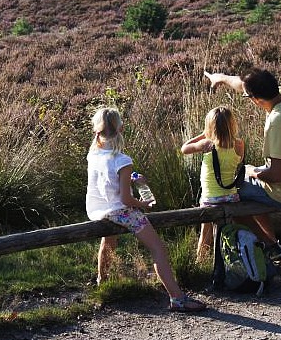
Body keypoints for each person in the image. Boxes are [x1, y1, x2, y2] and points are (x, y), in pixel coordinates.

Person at [86, 106, 206, 313]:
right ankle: (177, 298)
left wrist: (134, 184)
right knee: (159, 249)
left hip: (97, 210)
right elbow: (124, 199)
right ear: (121, 129)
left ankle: (101, 282)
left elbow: (108, 186)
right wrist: (143, 204)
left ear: (97, 131)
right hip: (119, 211)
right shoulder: (122, 160)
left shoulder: (93, 154)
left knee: (109, 239)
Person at [204, 68, 281, 261]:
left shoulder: (278, 121)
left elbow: (276, 176)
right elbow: (243, 84)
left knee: (229, 194)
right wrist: (221, 78)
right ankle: (272, 245)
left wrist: (252, 171)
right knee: (247, 183)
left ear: (255, 99)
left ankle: (269, 246)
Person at [181, 106, 245, 261]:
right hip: (231, 198)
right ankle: (231, 258)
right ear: (232, 125)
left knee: (205, 232)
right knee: (231, 228)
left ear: (210, 127)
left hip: (211, 199)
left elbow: (184, 149)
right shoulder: (239, 144)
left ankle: (200, 261)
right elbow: (240, 162)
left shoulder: (206, 144)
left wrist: (204, 134)